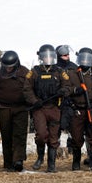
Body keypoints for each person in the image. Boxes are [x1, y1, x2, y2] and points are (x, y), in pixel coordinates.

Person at [24, 44, 71, 173]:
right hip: (40, 108)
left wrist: (63, 91)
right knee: (41, 135)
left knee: (53, 137)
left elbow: (68, 86)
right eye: (45, 56)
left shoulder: (59, 71)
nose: (48, 59)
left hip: (55, 107)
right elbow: (27, 89)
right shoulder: (34, 71)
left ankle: (52, 164)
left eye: (50, 56)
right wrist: (34, 101)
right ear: (41, 57)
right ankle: (40, 158)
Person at [0, 50, 29, 172]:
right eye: (6, 67)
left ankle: (18, 161)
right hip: (4, 108)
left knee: (19, 134)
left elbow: (32, 88)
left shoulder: (25, 72)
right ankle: (8, 163)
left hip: (21, 108)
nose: (8, 69)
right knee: (6, 135)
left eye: (11, 67)